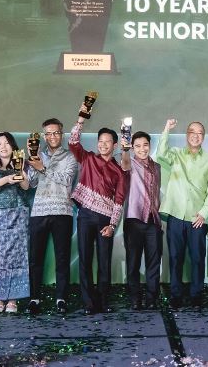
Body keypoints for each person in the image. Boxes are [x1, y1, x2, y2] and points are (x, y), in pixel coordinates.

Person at [68, 105, 127, 315]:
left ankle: (103, 301)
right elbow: (73, 143)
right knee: (84, 260)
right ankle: (88, 303)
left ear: (115, 145)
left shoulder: (119, 171)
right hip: (85, 216)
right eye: (100, 141)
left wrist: (112, 225)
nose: (103, 145)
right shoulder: (88, 158)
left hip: (105, 220)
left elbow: (119, 200)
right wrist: (81, 119)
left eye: (107, 142)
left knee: (104, 262)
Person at [157, 119, 208, 309]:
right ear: (186, 135)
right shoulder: (176, 154)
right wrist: (166, 129)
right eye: (192, 131)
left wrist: (204, 213)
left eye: (199, 133)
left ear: (203, 137)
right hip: (176, 215)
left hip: (197, 218)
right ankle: (176, 295)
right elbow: (160, 153)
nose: (195, 135)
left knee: (198, 259)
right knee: (175, 258)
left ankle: (196, 295)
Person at [26, 118, 78, 315]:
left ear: (61, 134)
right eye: (48, 133)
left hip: (62, 211)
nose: (52, 136)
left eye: (56, 132)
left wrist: (43, 168)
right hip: (39, 211)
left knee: (62, 257)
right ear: (44, 136)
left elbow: (67, 180)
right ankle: (34, 298)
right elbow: (31, 183)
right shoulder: (37, 155)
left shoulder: (70, 157)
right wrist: (33, 161)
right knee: (35, 258)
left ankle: (61, 298)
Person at [0, 132, 30, 314]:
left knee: (17, 257)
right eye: (0, 144)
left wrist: (19, 170)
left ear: (13, 146)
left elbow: (26, 186)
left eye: (7, 143)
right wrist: (7, 179)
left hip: (18, 214)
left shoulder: (22, 163)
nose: (3, 147)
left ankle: (13, 300)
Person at [120, 131, 162, 310]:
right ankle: (135, 299)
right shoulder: (129, 163)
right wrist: (125, 149)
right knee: (133, 262)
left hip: (153, 220)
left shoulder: (157, 167)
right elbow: (124, 164)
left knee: (154, 262)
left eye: (145, 145)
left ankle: (152, 299)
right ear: (132, 148)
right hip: (134, 219)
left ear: (150, 146)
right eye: (137, 146)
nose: (142, 149)